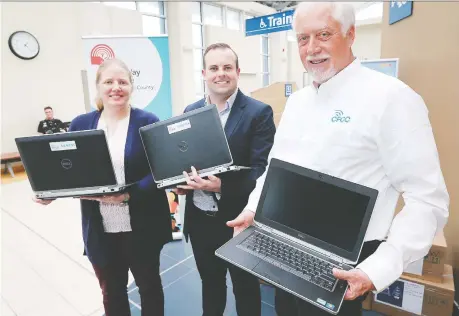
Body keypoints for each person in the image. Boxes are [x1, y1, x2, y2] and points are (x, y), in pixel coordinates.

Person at [227, 2, 449, 316]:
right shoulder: (299, 101)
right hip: (286, 246)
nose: (312, 48)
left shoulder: (393, 99)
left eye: (324, 34)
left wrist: (378, 268)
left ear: (351, 34)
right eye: (303, 39)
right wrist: (254, 209)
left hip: (345, 262)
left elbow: (428, 200)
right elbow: (275, 169)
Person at [33, 58, 172, 316]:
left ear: (132, 86)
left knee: (149, 286)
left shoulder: (147, 120)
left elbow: (161, 170)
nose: (116, 87)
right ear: (99, 87)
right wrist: (52, 192)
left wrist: (130, 194)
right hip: (100, 227)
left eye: (123, 81)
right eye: (108, 81)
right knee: (111, 291)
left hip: (141, 224)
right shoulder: (81, 124)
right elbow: (69, 169)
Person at [175, 43, 276, 316]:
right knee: (211, 284)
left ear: (238, 72)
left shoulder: (258, 113)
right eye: (214, 68)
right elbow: (183, 161)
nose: (221, 74)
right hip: (200, 220)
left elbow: (263, 171)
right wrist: (179, 186)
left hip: (239, 219)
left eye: (227, 67)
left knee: (245, 286)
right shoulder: (190, 111)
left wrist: (222, 185)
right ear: (204, 73)